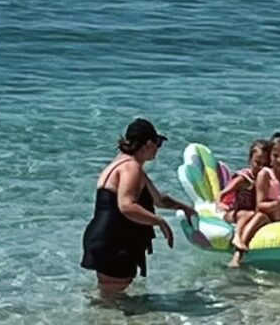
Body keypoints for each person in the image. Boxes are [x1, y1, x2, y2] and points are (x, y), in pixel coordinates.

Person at [81, 118, 197, 297]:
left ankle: (102, 324)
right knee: (113, 299)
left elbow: (158, 200)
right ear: (148, 143)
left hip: (104, 237)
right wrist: (160, 222)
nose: (158, 148)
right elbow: (127, 206)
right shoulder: (131, 167)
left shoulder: (123, 165)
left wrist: (185, 208)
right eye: (157, 143)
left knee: (109, 297)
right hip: (113, 241)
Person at [226, 138, 280, 268]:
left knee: (256, 215)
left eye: (264, 164)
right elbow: (225, 193)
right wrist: (221, 203)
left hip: (268, 214)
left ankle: (238, 248)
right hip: (250, 212)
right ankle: (238, 249)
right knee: (256, 215)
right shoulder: (249, 176)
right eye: (276, 156)